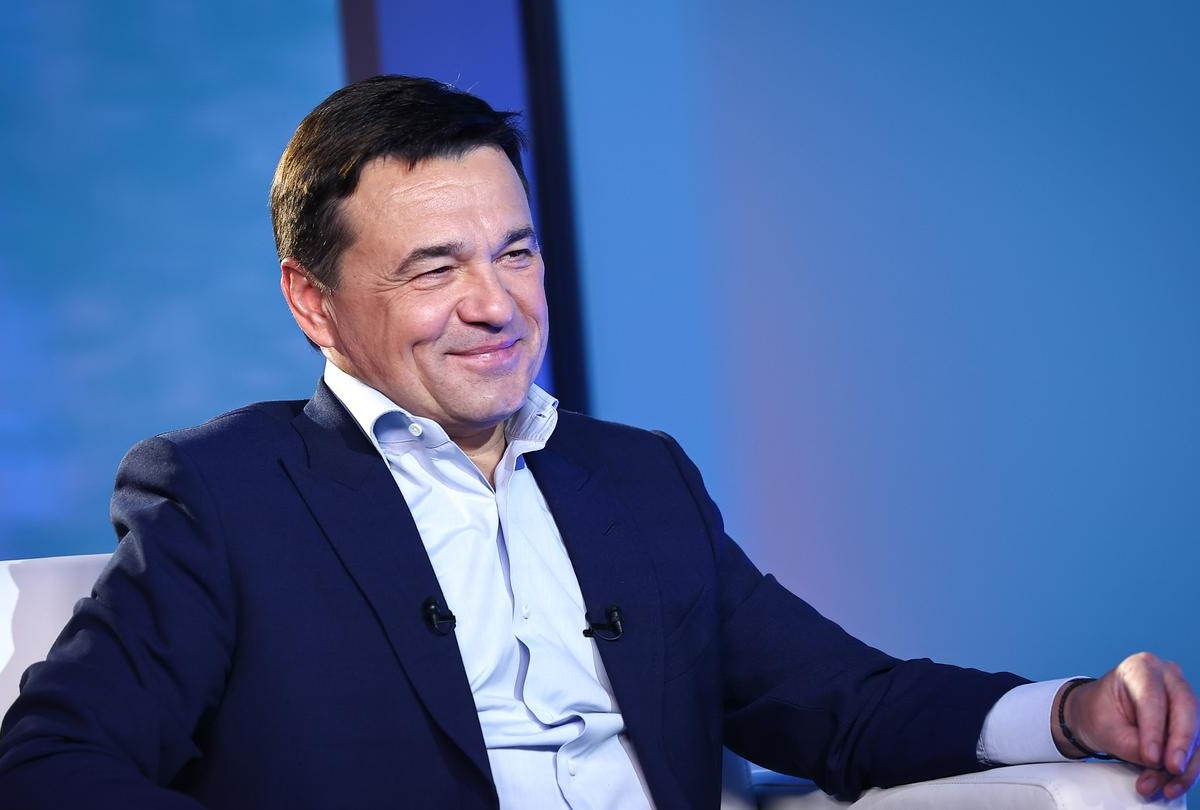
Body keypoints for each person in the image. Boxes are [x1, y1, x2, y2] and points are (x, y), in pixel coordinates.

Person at [0, 75, 1195, 809]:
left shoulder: (637, 476)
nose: (496, 304)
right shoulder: (225, 494)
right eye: (435, 269)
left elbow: (841, 704)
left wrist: (1074, 711)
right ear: (313, 303)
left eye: (514, 252)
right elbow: (50, 764)